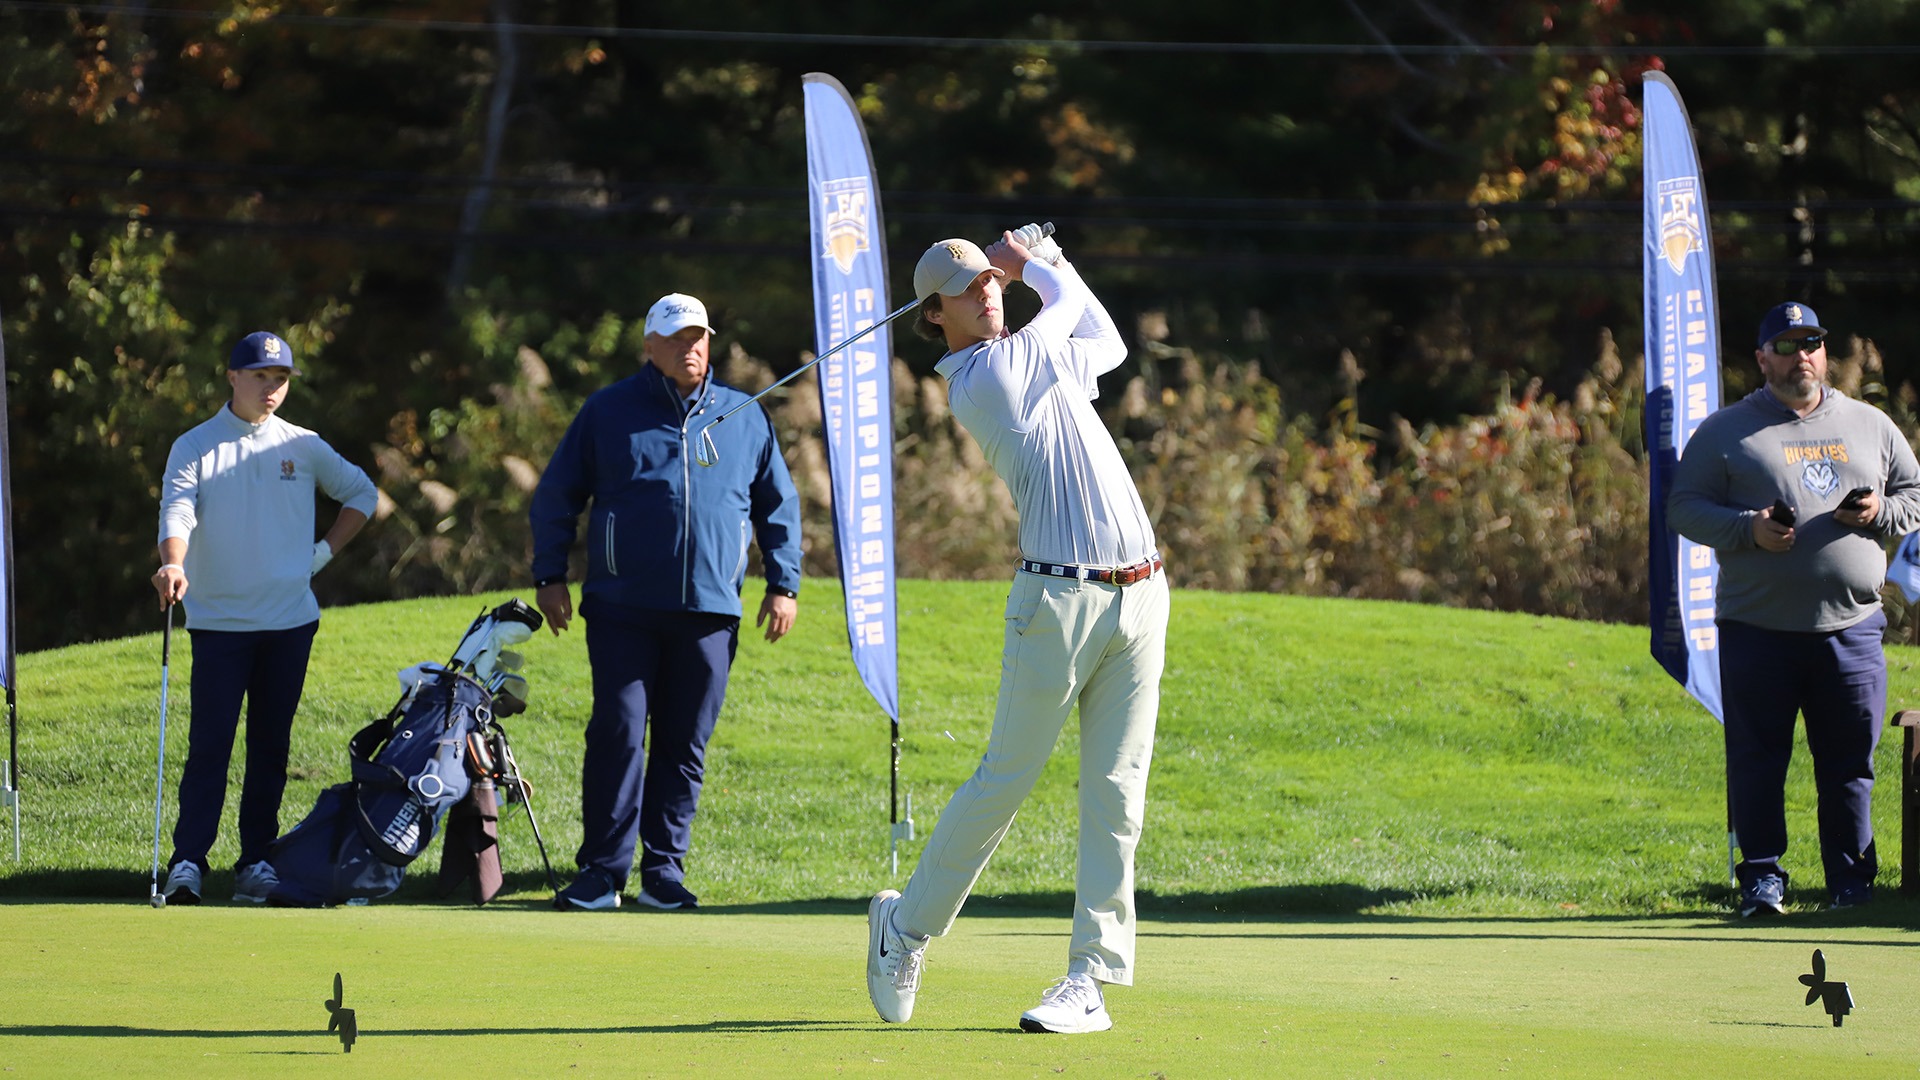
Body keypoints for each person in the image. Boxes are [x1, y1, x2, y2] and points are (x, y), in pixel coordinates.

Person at [865, 230, 1168, 1034]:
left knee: (1116, 793)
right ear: (934, 315)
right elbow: (1065, 307)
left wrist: (1047, 260)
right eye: (970, 288)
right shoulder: (985, 375)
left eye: (992, 281)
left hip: (1141, 594)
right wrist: (1036, 260)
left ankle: (1090, 981)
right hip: (1056, 604)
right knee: (1004, 783)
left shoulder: (1042, 358)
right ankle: (905, 929)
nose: (989, 291)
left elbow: (1102, 336)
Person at [530, 292, 802, 912]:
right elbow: (556, 496)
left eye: (700, 337)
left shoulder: (743, 414)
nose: (691, 348)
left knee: (684, 744)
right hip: (623, 605)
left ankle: (663, 872)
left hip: (709, 611)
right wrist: (550, 574)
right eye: (678, 339)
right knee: (619, 733)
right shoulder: (608, 412)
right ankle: (602, 872)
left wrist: (783, 583)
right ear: (650, 346)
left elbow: (777, 505)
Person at [1668, 301, 1920, 916]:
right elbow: (1684, 507)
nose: (1801, 354)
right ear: (1762, 358)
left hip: (1852, 627)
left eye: (1811, 342)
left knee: (1850, 766)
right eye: (1786, 344)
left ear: (1824, 354)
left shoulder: (1870, 424)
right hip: (1758, 629)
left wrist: (1877, 513)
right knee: (1758, 759)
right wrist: (1747, 529)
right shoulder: (1727, 430)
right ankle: (1761, 878)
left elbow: (1913, 494)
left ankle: (1851, 882)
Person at [152, 331, 378, 904]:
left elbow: (361, 494)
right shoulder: (197, 445)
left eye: (280, 379)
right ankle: (188, 862)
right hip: (219, 623)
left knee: (270, 747)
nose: (271, 388)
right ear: (233, 377)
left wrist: (320, 556)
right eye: (260, 376)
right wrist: (173, 564)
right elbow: (177, 507)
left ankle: (255, 861)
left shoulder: (304, 445)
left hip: (288, 623)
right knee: (210, 747)